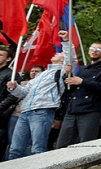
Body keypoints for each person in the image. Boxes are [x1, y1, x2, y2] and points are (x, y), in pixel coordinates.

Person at [6, 31, 73, 159]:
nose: (56, 53)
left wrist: (66, 41)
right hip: (25, 112)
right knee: (15, 148)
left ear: (64, 59)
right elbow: (24, 92)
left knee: (37, 148)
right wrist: (14, 88)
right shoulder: (41, 74)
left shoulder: (62, 71)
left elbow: (71, 58)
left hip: (42, 111)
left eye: (59, 53)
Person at [56, 41, 101, 148]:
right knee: (62, 143)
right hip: (73, 109)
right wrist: (67, 75)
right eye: (92, 49)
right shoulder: (83, 69)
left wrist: (82, 82)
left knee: (85, 143)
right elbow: (71, 89)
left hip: (90, 109)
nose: (94, 51)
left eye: (98, 50)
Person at [0, 44, 21, 160]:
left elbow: (13, 96)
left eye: (0, 55)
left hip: (2, 117)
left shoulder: (11, 75)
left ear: (8, 59)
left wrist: (0, 107)